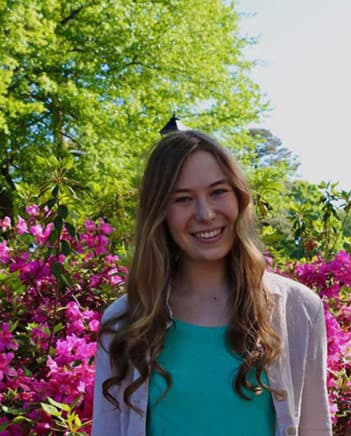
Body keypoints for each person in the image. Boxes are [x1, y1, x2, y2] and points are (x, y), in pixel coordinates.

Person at [92, 130, 332, 436]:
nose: (205, 214)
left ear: (239, 198)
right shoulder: (125, 321)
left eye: (218, 192)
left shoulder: (298, 310)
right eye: (183, 199)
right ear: (160, 212)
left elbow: (315, 428)